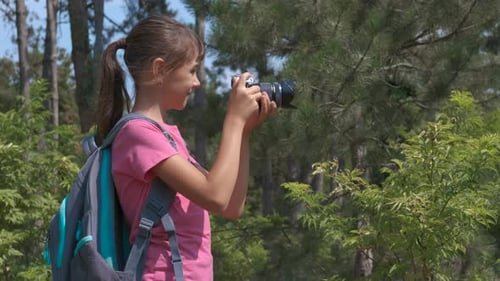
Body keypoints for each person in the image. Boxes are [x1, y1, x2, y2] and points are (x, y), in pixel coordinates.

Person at [94, 15, 277, 281]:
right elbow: (215, 195)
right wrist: (234, 121)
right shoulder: (137, 134)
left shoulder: (165, 137)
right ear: (159, 70)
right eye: (191, 71)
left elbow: (230, 205)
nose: (197, 82)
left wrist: (244, 133)